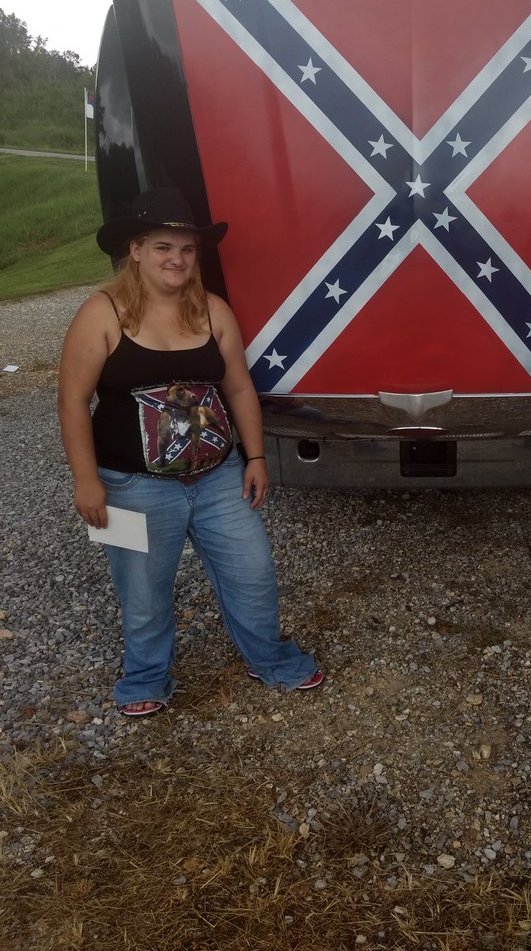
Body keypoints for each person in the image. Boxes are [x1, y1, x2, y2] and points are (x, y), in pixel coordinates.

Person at [58, 188, 323, 717]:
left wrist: (255, 458)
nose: (176, 259)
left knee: (253, 572)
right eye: (162, 247)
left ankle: (270, 659)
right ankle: (145, 679)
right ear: (135, 250)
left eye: (186, 249)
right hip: (132, 484)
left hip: (218, 477)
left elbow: (241, 389)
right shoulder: (101, 312)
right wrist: (86, 481)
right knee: (143, 590)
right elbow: (72, 400)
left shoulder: (213, 310)